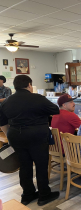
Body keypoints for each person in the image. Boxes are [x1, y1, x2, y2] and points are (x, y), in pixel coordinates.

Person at [0, 75, 60, 206]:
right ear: (29, 85)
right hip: (37, 135)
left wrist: (9, 135)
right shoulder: (38, 98)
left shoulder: (6, 101)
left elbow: (2, 122)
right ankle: (44, 195)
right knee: (41, 165)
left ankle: (27, 195)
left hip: (16, 136)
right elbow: (56, 110)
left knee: (24, 166)